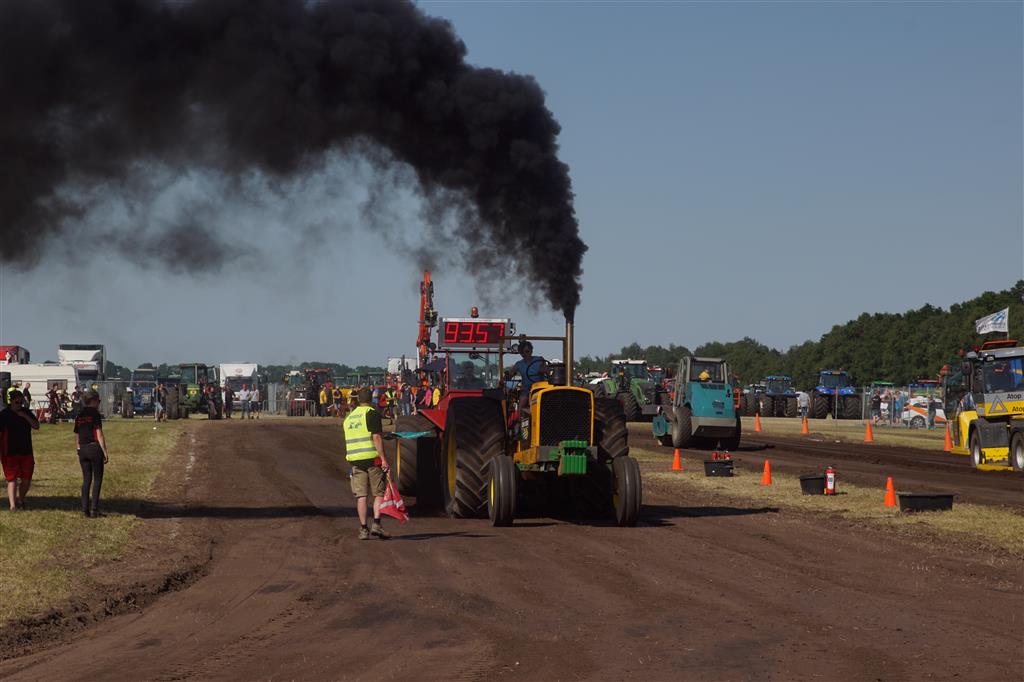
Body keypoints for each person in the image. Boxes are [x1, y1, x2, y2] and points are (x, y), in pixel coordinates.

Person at [344, 387, 391, 540]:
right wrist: (384, 459)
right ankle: (376, 524)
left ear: (358, 400)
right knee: (378, 493)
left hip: (355, 460)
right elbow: (376, 438)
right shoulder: (372, 413)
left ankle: (363, 529)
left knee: (361, 495)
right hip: (372, 458)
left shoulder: (349, 418)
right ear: (371, 400)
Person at [0, 390, 40, 511]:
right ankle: (12, 506)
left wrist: (25, 416)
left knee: (26, 480)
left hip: (26, 451)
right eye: (17, 402)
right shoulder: (4, 414)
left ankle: (21, 499)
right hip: (9, 452)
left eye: (21, 402)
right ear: (11, 401)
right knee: (11, 479)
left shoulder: (26, 412)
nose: (19, 405)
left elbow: (36, 426)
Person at [75, 389, 109, 518]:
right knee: (97, 479)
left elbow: (77, 434)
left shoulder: (80, 414)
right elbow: (99, 434)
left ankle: (85, 510)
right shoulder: (95, 414)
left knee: (86, 480)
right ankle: (94, 509)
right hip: (94, 448)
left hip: (83, 449)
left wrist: (78, 448)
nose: (99, 403)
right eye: (98, 401)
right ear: (93, 401)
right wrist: (105, 451)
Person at [511, 341, 546, 411]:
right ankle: (519, 416)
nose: (525, 354)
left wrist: (543, 370)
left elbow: (546, 371)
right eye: (522, 352)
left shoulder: (539, 360)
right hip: (527, 390)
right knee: (522, 402)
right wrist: (507, 377)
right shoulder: (519, 364)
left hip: (540, 388)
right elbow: (510, 374)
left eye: (527, 351)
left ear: (531, 350)